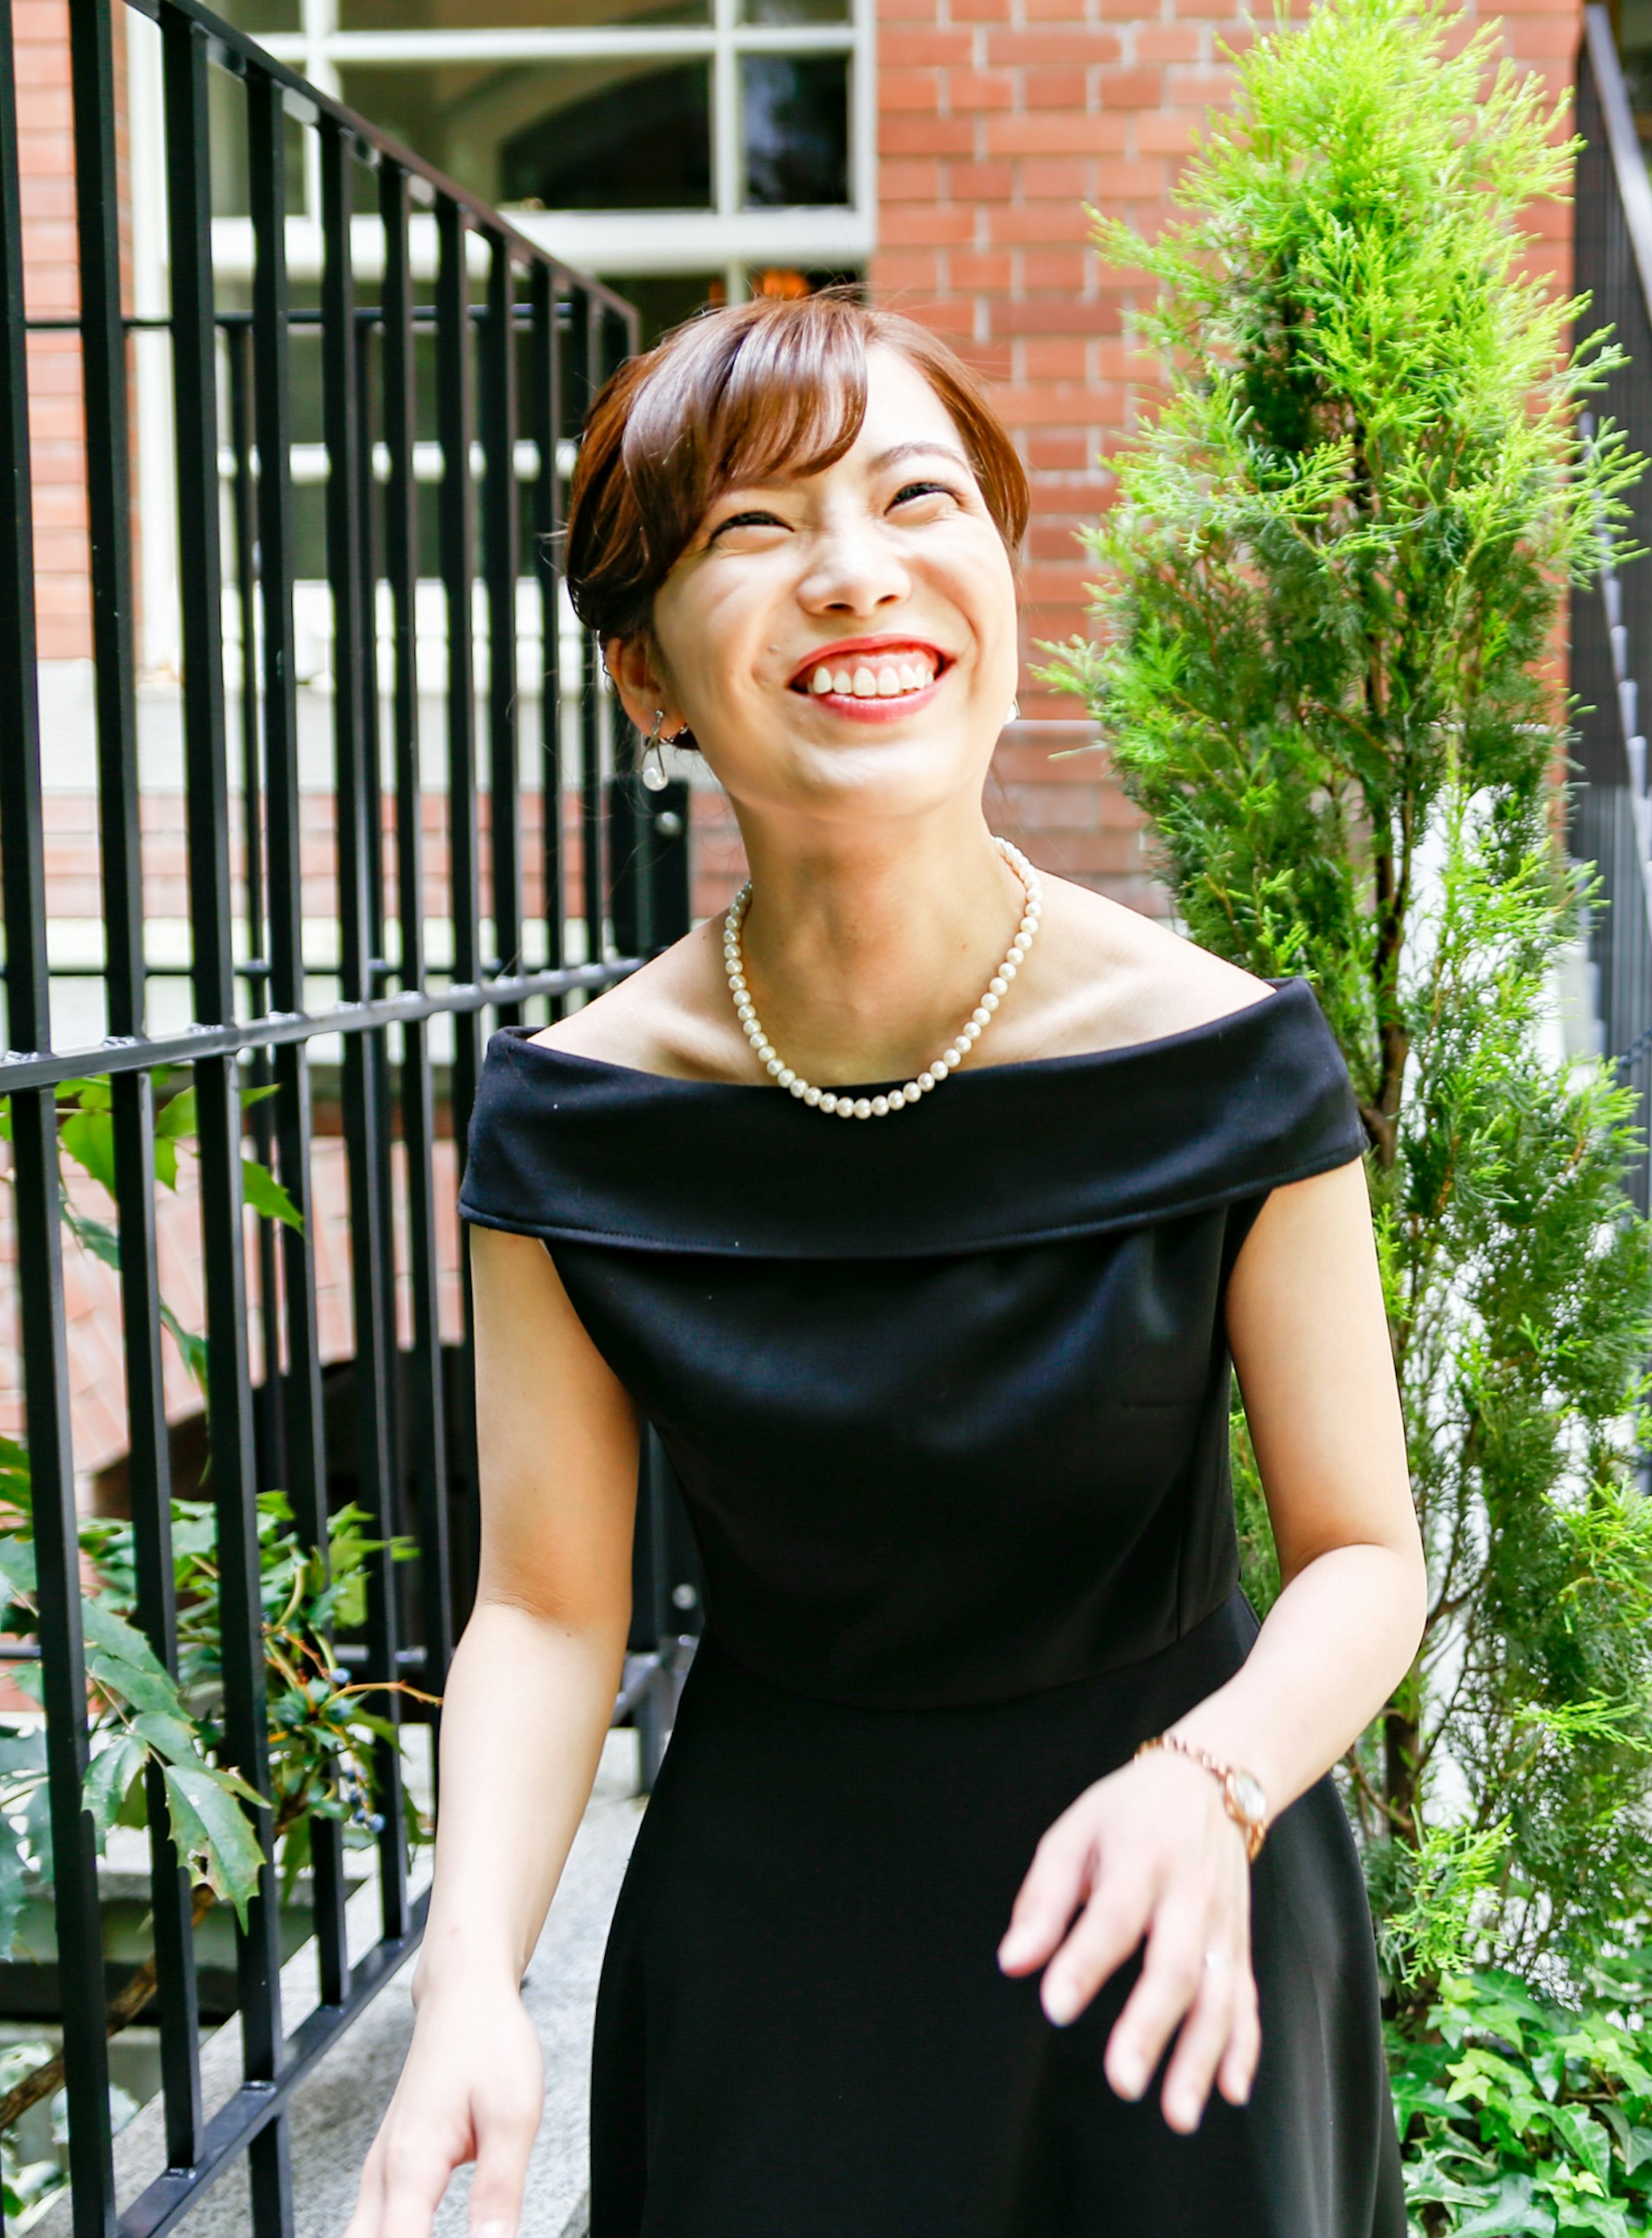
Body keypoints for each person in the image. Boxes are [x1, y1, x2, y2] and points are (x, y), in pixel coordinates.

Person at [337, 292, 1425, 2238]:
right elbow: (550, 1608)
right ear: (645, 676)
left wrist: (1220, 1781)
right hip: (779, 1942)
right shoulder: (572, 1125)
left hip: (1174, 1914)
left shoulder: (1234, 1064)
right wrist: (472, 1978)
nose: (853, 574)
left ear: (1002, 594)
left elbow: (1364, 1554)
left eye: (919, 499)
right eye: (754, 532)